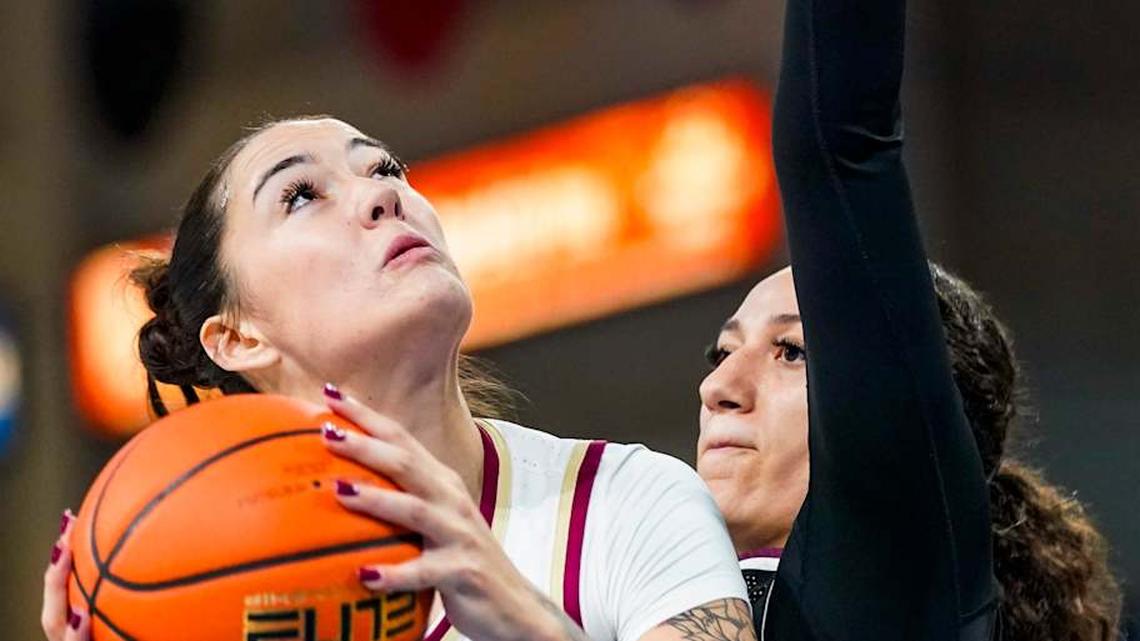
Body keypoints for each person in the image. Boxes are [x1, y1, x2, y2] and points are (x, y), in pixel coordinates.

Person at [42, 116, 754, 641]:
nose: (383, 197)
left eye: (384, 170)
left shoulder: (627, 501)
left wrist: (525, 622)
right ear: (237, 336)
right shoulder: (195, 606)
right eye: (300, 195)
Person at [697, 0, 1122, 638]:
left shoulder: (885, 575)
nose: (718, 388)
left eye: (791, 350)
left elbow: (835, 145)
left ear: (911, 411)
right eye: (723, 353)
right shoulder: (646, 597)